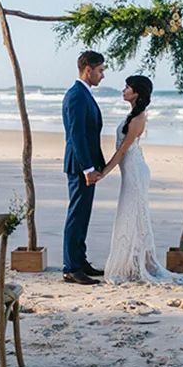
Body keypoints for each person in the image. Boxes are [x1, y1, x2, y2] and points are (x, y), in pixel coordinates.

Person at [99, 75, 179, 284]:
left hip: (135, 173)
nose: (123, 90)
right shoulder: (133, 114)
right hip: (132, 170)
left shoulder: (138, 118)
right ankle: (130, 264)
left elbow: (123, 151)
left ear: (136, 92)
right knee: (130, 216)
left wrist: (104, 172)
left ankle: (134, 265)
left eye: (127, 87)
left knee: (130, 215)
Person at [61, 50, 107, 285]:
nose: (103, 75)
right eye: (100, 70)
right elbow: (77, 135)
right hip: (80, 166)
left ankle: (80, 261)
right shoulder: (77, 95)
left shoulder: (83, 93)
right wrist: (88, 168)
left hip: (85, 165)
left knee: (83, 215)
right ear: (87, 69)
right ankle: (71, 267)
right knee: (76, 215)